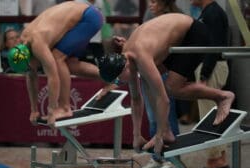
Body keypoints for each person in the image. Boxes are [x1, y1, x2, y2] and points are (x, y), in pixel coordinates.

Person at [97, 13, 235, 156]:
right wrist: (136, 135)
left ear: (124, 67)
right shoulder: (126, 59)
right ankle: (167, 131)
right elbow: (136, 99)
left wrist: (158, 137)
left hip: (193, 32)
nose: (120, 83)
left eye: (118, 80)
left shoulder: (140, 56)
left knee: (171, 88)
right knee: (147, 85)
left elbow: (164, 100)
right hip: (176, 37)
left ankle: (222, 97)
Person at [7, 1, 114, 127]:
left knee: (57, 59)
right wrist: (34, 109)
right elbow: (31, 76)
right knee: (70, 65)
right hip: (83, 17)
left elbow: (53, 77)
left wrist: (52, 110)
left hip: (88, 18)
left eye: (30, 67)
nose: (32, 69)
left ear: (30, 57)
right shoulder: (24, 45)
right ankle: (110, 80)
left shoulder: (37, 44)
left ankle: (64, 108)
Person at [138, 0, 181, 168]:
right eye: (150, 1)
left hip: (163, 71)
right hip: (148, 72)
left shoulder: (174, 20)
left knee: (167, 118)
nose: (150, 4)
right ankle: (157, 157)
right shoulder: (149, 17)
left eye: (155, 1)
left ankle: (173, 161)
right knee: (153, 119)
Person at [190, 0, 232, 168]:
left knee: (210, 115)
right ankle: (220, 159)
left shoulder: (213, 14)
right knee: (215, 114)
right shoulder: (209, 12)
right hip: (212, 66)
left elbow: (212, 48)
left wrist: (204, 76)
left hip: (212, 68)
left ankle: (215, 162)